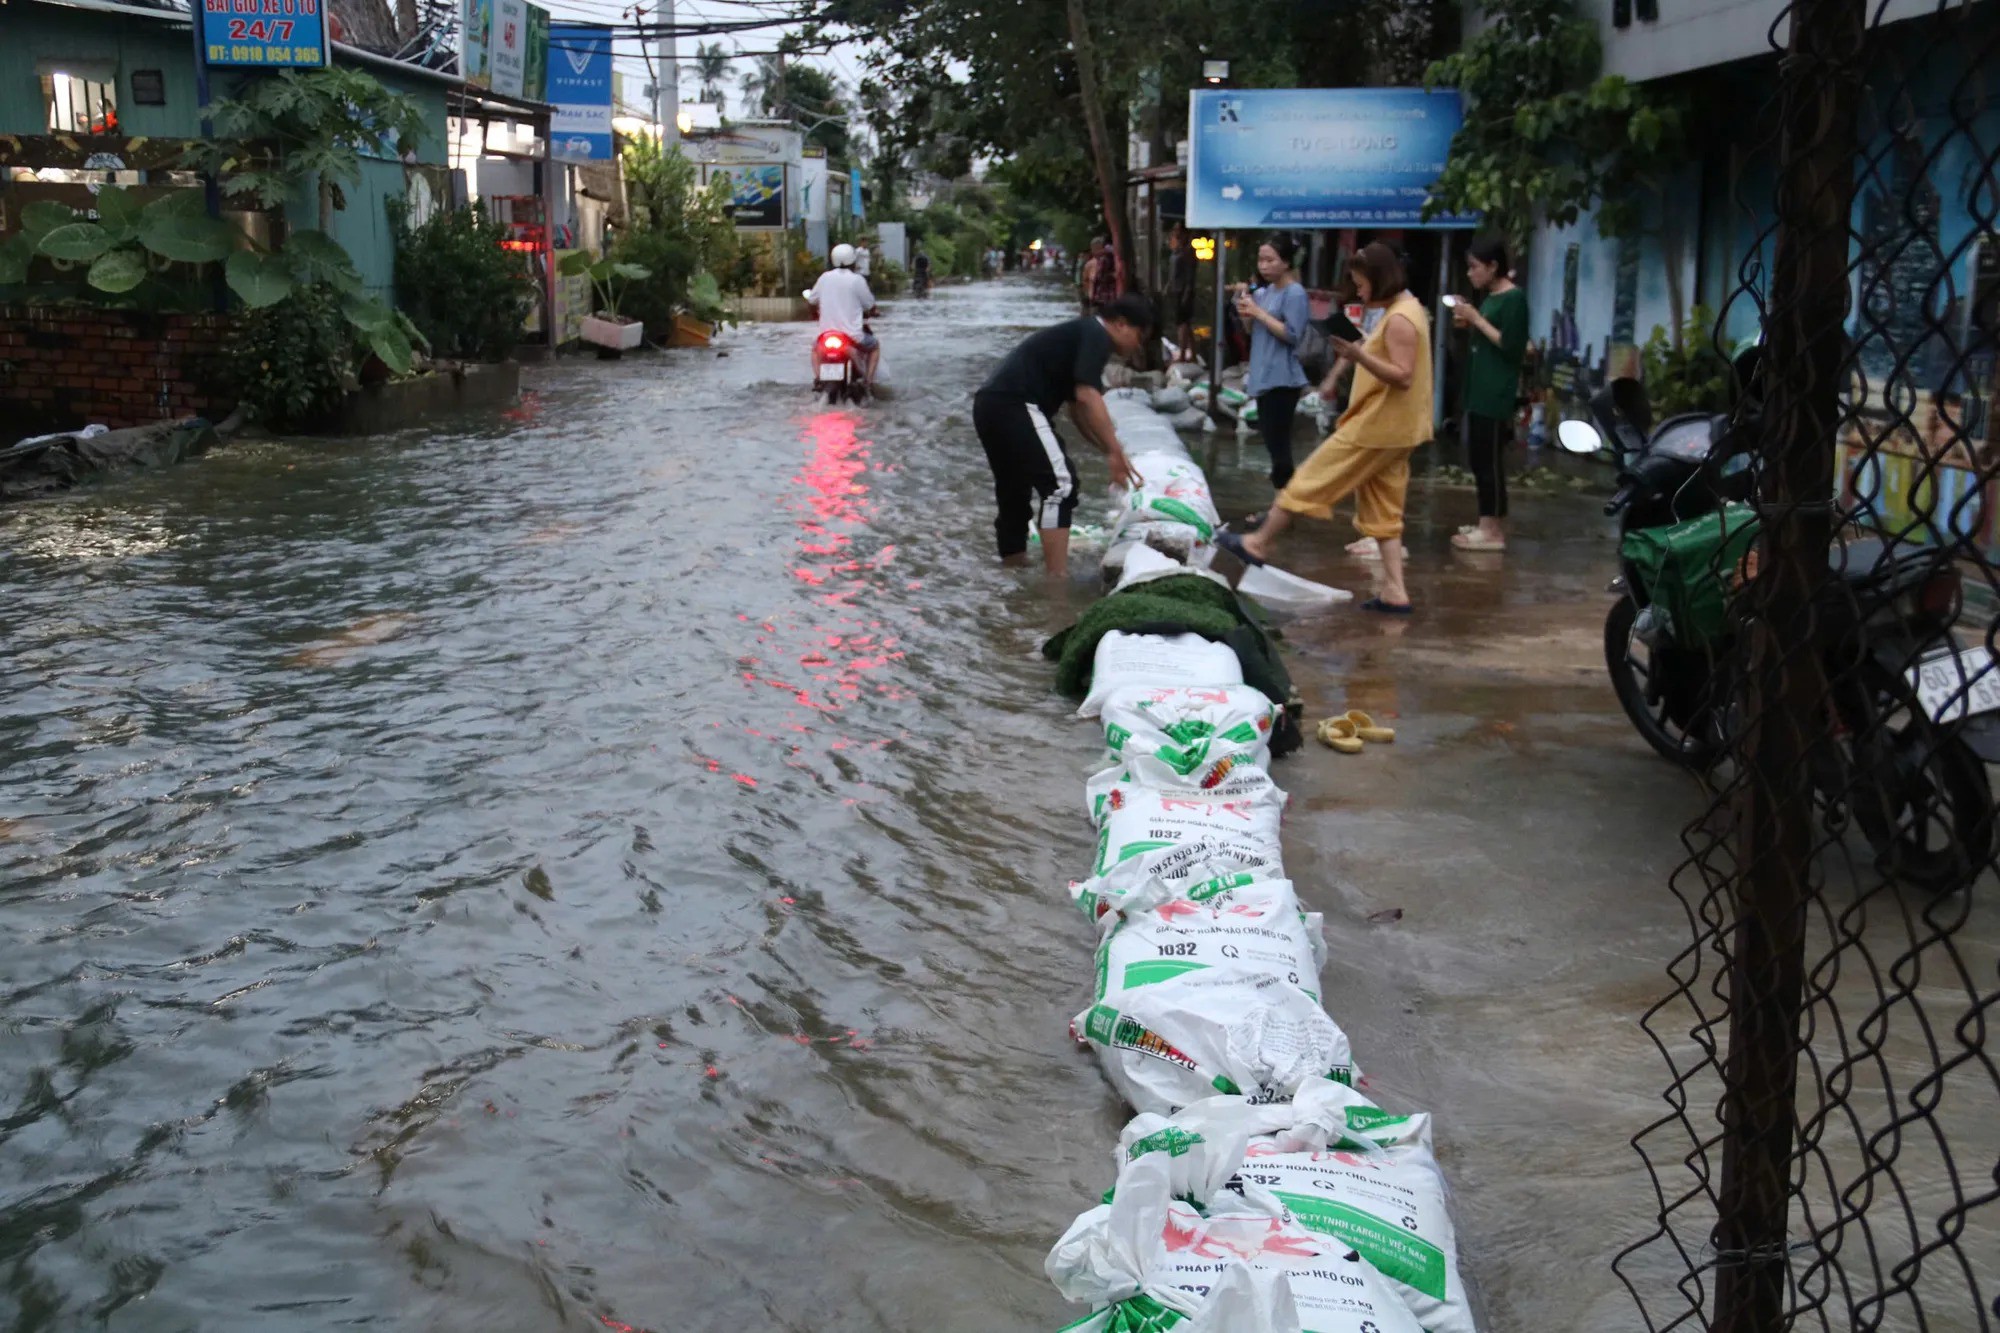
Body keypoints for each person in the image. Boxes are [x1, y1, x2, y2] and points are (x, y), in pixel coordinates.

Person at [1217, 242, 1433, 614]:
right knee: (1384, 507)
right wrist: (1351, 359)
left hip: (1379, 425)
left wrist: (1358, 355)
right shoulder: (1404, 311)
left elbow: (1402, 376)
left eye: (1362, 284)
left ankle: (1258, 543)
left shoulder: (1400, 318)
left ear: (1379, 280)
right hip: (1397, 428)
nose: (1359, 291)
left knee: (1312, 476)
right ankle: (1395, 589)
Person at [973, 292, 1153, 576]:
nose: (1137, 346)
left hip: (990, 405)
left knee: (1014, 493)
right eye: (1139, 336)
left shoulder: (1081, 333)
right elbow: (1087, 396)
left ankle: (1012, 572)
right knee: (1061, 486)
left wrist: (1108, 450)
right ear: (1121, 324)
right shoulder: (1096, 334)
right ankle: (1057, 582)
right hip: (1016, 404)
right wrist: (1115, 451)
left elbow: (1076, 410)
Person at [1453, 234, 1529, 551]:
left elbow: (1511, 346)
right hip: (1479, 388)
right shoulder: (1491, 297)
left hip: (1497, 391)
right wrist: (1469, 321)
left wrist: (1476, 319)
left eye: (1475, 267)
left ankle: (1493, 529)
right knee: (1477, 457)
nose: (1471, 274)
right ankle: (1486, 519)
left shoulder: (1514, 299)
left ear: (1493, 266)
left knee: (1490, 461)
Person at [1235, 235, 1311, 493]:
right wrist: (1246, 311)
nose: (1263, 266)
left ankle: (1285, 507)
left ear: (1287, 263)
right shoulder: (1265, 292)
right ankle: (1282, 506)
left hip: (1283, 378)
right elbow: (1252, 329)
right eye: (1261, 260)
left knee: (1280, 448)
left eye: (1270, 260)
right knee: (1270, 443)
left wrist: (1259, 313)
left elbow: (1292, 334)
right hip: (1263, 374)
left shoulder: (1295, 293)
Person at [804, 242, 880, 391]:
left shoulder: (824, 278)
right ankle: (868, 382)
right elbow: (870, 305)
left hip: (826, 335)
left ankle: (819, 379)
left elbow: (812, 301)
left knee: (814, 350)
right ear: (853, 260)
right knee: (875, 347)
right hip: (853, 337)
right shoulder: (857, 280)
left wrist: (814, 314)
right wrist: (873, 312)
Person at [1168, 223, 1199, 363]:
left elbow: (1189, 275)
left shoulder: (1188, 252)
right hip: (1176, 290)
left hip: (1183, 291)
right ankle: (1192, 352)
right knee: (1184, 324)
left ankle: (1182, 353)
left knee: (1182, 324)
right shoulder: (1177, 251)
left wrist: (1187, 292)